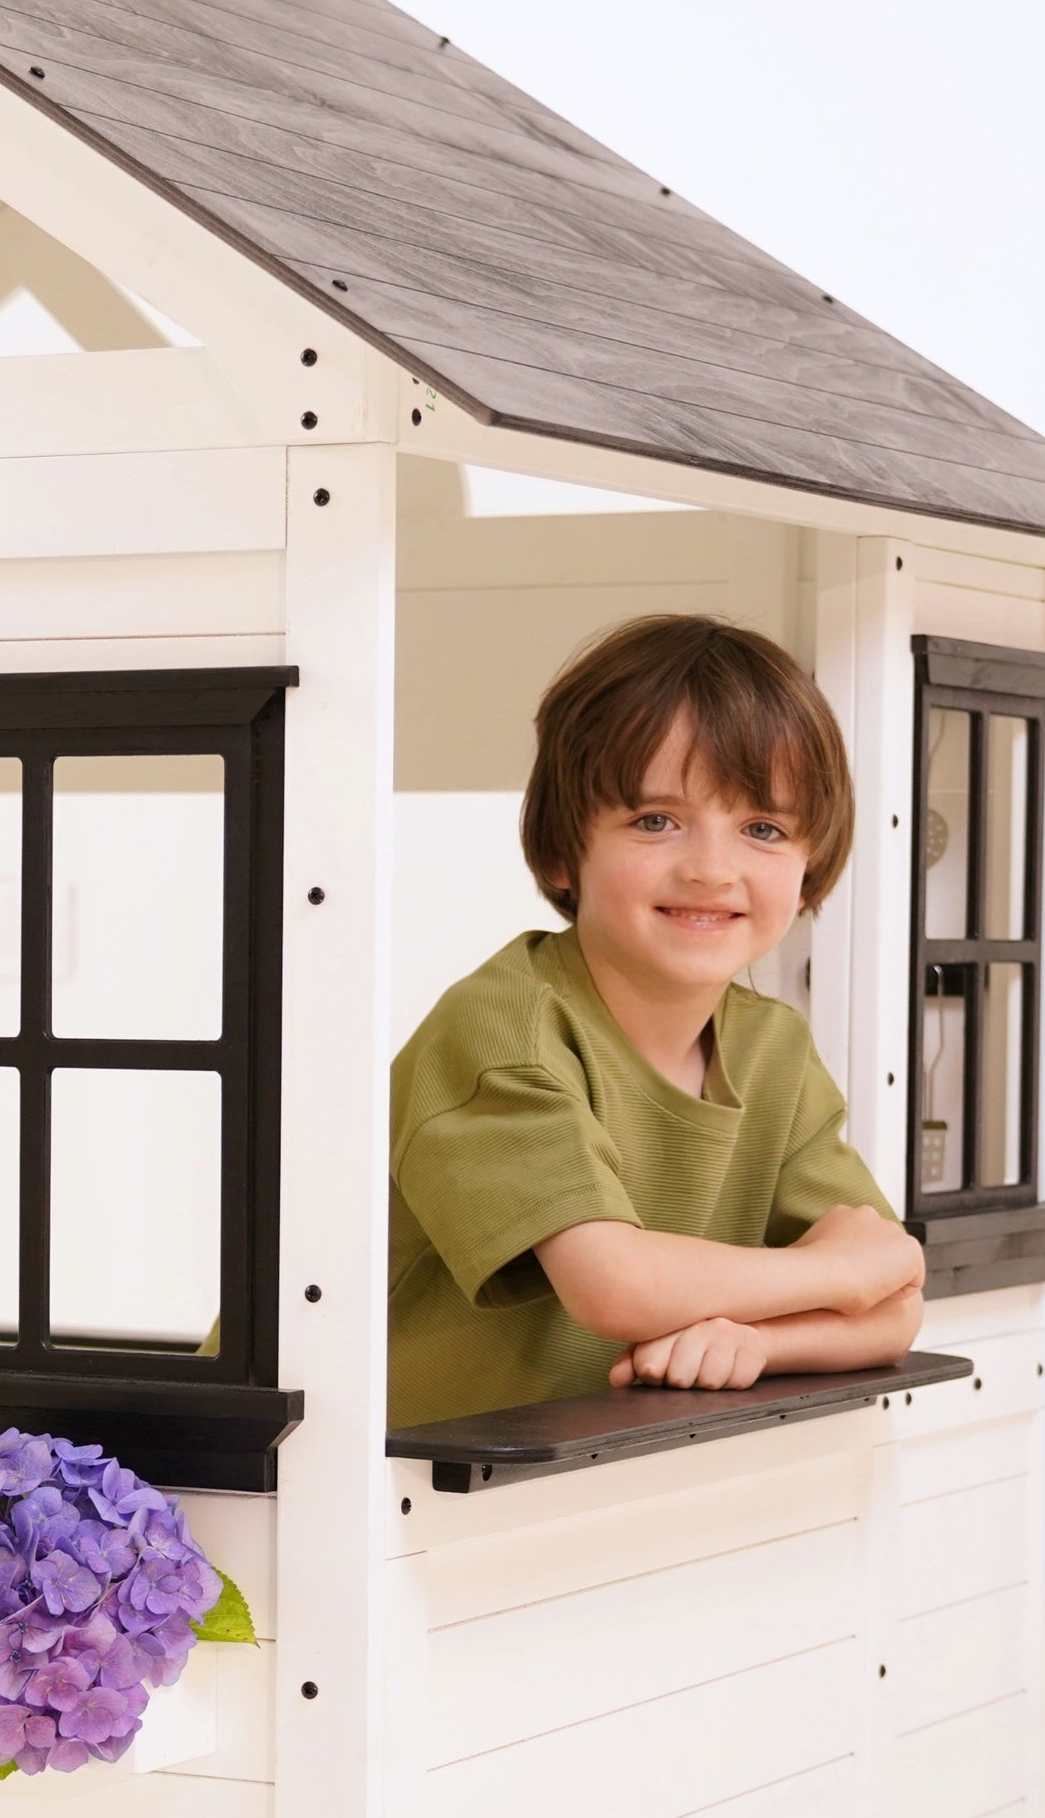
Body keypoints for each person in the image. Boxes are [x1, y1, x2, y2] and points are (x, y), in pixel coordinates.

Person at [388, 612, 923, 1428]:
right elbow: (618, 1287)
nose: (711, 869)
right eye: (655, 821)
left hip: (565, 1483)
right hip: (344, 1484)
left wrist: (752, 1340)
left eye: (762, 829)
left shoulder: (771, 1048)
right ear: (565, 850)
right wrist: (839, 1275)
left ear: (811, 864)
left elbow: (895, 1311)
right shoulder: (505, 1032)